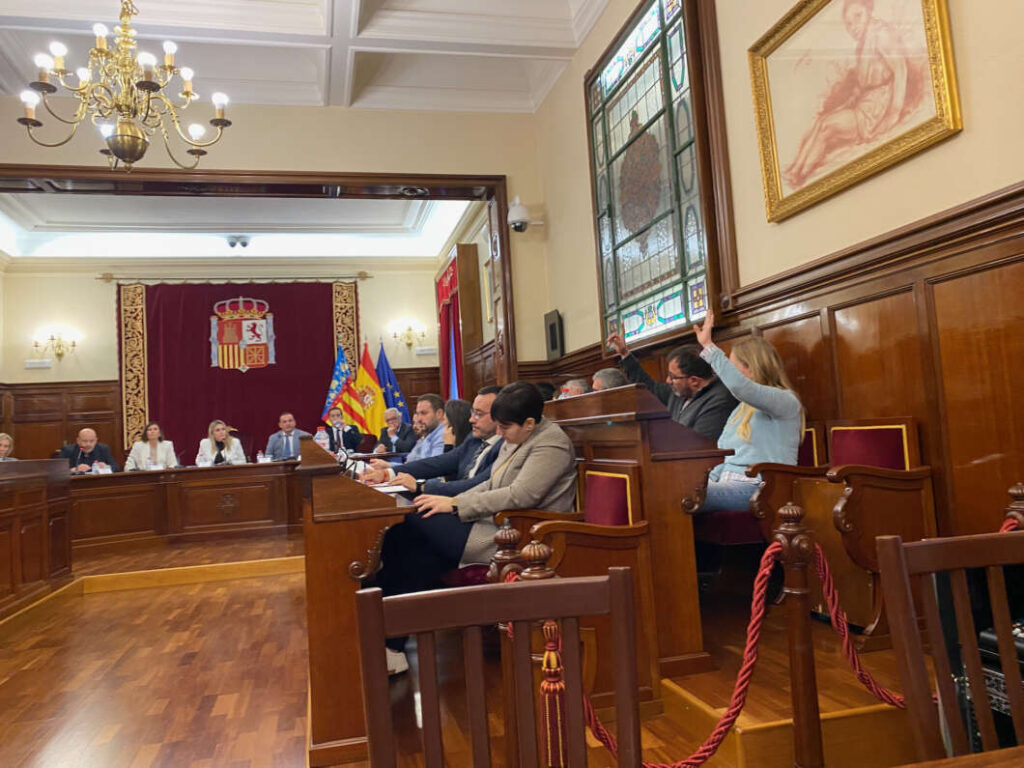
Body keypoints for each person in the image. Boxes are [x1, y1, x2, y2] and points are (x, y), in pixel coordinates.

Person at [377, 382, 575, 674]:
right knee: (411, 546)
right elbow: (491, 483)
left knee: (410, 520)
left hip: (519, 536)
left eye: (504, 427)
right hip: (491, 523)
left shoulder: (551, 444)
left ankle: (387, 638)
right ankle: (387, 641)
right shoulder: (517, 435)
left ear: (530, 423)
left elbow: (522, 495)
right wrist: (453, 501)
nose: (500, 434)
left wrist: (456, 505)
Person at [782, 0, 925, 190]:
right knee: (821, 122)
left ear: (869, 11)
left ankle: (799, 175)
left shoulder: (880, 34)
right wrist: (847, 104)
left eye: (858, 16)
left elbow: (900, 70)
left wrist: (894, 113)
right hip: (865, 104)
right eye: (849, 23)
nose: (853, 27)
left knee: (825, 126)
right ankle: (795, 169)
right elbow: (862, 84)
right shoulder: (864, 43)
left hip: (876, 108)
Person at [692, 309, 802, 512]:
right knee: (678, 489)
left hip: (761, 487)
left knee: (682, 493)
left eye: (732, 367)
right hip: (729, 484)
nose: (727, 375)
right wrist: (707, 480)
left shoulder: (785, 400)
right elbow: (728, 459)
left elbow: (740, 387)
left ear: (752, 367)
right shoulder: (741, 409)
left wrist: (709, 346)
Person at [362, 387, 503, 497]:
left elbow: (476, 485)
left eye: (479, 414)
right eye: (473, 413)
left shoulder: (503, 447)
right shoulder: (474, 439)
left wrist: (421, 486)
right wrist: (388, 473)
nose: (471, 419)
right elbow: (437, 463)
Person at [606, 332, 738, 441]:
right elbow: (649, 388)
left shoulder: (720, 401)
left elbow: (700, 445)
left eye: (673, 377)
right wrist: (625, 354)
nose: (668, 380)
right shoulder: (680, 392)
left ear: (694, 381)